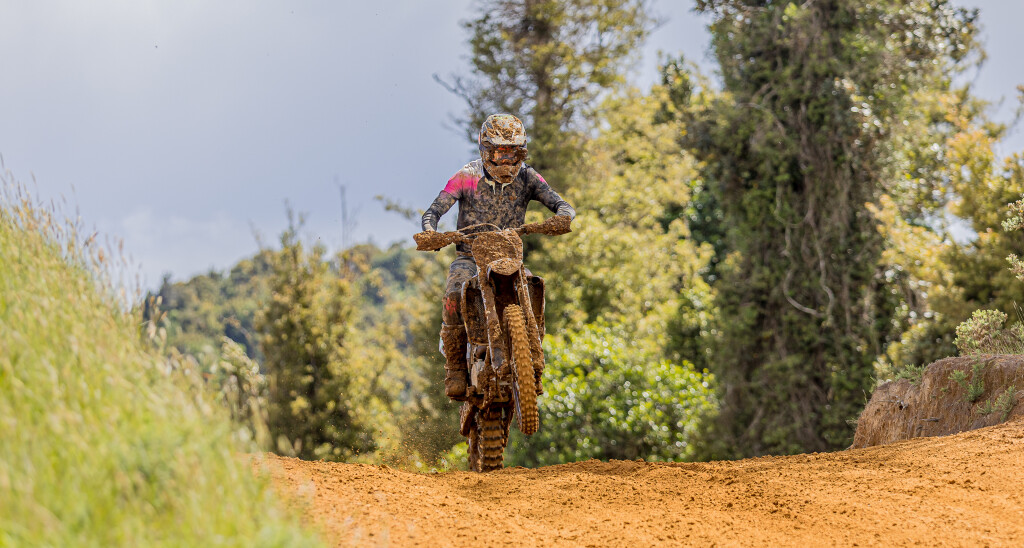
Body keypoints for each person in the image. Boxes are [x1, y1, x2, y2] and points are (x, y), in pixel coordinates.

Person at [420, 113, 575, 401]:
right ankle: (455, 368)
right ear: (486, 149)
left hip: (510, 257)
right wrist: (431, 231)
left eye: (511, 153)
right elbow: (434, 211)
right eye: (500, 152)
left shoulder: (528, 177)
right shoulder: (467, 176)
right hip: (469, 257)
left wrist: (563, 217)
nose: (505, 160)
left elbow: (560, 203)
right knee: (453, 293)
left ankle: (533, 360)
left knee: (535, 286)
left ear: (521, 153)